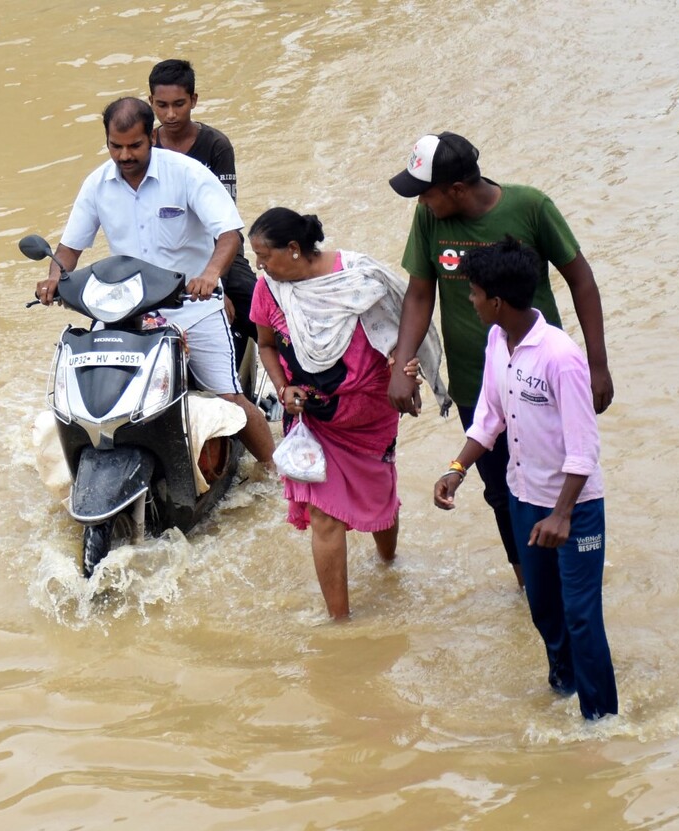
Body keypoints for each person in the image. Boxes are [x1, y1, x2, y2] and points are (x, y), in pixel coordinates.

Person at [386, 131, 616, 591]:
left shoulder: (530, 207)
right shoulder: (429, 218)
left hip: (541, 382)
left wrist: (597, 364)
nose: (421, 202)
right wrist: (401, 366)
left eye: (426, 192)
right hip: (478, 387)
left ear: (455, 189)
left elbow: (581, 279)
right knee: (500, 492)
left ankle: (572, 579)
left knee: (558, 480)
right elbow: (418, 292)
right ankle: (530, 586)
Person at [432, 235, 617, 720]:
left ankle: (600, 722)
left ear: (496, 300)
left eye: (472, 293)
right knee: (545, 611)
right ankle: (565, 692)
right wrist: (458, 468)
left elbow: (584, 448)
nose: (469, 302)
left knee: (581, 616)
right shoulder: (498, 340)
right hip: (522, 499)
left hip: (573, 510)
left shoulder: (560, 356)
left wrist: (561, 514)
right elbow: (491, 416)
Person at [32, 97, 275, 466]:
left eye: (135, 145)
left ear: (151, 137)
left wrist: (209, 276)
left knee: (227, 399)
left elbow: (229, 234)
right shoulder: (96, 184)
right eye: (116, 146)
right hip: (124, 311)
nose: (125, 155)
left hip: (194, 307)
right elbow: (69, 249)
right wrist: (53, 278)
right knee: (90, 399)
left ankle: (280, 474)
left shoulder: (188, 174)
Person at [247, 207, 449, 620]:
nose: (259, 266)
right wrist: (283, 389)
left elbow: (396, 336)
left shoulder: (357, 279)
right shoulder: (269, 289)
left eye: (265, 256)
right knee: (323, 515)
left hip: (369, 415)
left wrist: (405, 371)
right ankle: (341, 622)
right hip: (312, 419)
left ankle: (389, 565)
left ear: (293, 249)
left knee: (379, 498)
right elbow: (266, 344)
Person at [147, 59, 258, 358]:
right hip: (164, 257)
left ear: (194, 100)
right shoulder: (142, 148)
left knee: (263, 313)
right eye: (162, 105)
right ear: (151, 103)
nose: (170, 114)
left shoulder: (216, 146)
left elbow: (224, 225)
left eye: (179, 104)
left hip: (218, 256)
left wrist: (216, 287)